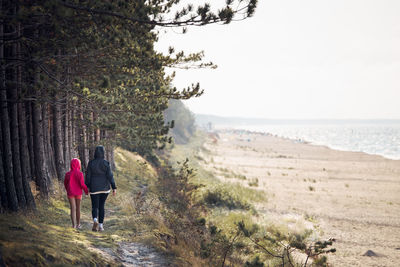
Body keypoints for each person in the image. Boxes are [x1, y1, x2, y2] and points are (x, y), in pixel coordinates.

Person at [85, 146, 117, 232]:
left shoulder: (91, 163)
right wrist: (114, 187)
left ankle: (95, 220)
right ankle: (101, 226)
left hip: (94, 188)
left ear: (95, 153)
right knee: (101, 206)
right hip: (105, 188)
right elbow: (110, 176)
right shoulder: (106, 163)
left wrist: (87, 186)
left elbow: (88, 176)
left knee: (95, 206)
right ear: (103, 153)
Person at [64, 158, 88, 229]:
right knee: (78, 208)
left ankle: (73, 225)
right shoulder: (80, 174)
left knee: (73, 208)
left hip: (70, 193)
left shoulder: (67, 174)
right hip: (78, 193)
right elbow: (82, 184)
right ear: (79, 165)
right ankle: (78, 224)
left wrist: (67, 190)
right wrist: (86, 191)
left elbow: (65, 183)